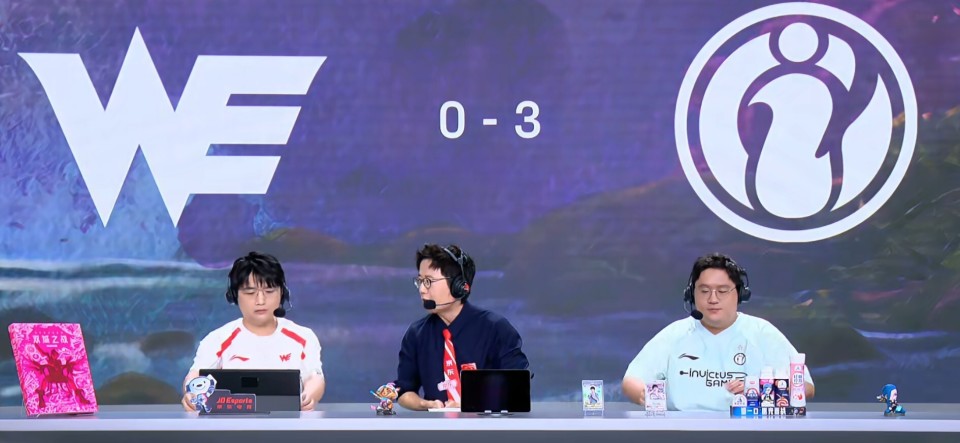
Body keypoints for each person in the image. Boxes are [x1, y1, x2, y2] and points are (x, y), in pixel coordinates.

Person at [622, 253, 814, 411]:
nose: (713, 299)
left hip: (747, 432)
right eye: (704, 291)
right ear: (691, 294)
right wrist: (645, 396)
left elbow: (806, 387)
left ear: (740, 294)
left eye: (722, 291)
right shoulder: (674, 334)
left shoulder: (762, 333)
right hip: (681, 433)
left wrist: (760, 391)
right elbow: (632, 380)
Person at [180, 252, 325, 411]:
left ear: (282, 293)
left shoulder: (304, 337)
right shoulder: (218, 339)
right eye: (250, 293)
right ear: (234, 295)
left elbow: (315, 377)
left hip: (289, 421)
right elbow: (195, 375)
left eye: (269, 291)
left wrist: (310, 395)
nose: (260, 301)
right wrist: (191, 393)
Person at [395, 244, 530, 410]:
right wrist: (424, 404)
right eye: (420, 281)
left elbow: (517, 388)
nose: (422, 290)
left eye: (429, 281)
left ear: (459, 286)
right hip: (437, 424)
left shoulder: (495, 328)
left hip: (487, 424)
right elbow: (404, 391)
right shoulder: (416, 334)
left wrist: (474, 402)